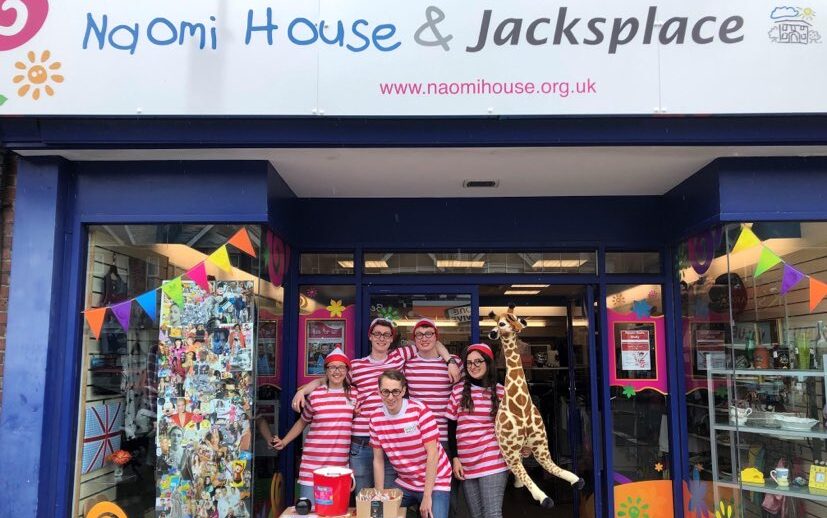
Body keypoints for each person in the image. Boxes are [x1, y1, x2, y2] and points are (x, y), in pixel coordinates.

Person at [292, 318, 460, 495]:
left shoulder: (399, 356)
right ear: (370, 336)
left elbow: (432, 340)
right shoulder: (356, 366)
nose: (382, 338)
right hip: (361, 442)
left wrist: (449, 361)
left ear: (391, 339)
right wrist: (302, 392)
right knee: (363, 497)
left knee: (386, 498)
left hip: (390, 442)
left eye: (386, 334)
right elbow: (327, 381)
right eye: (377, 334)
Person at [270, 348, 358, 507]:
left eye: (341, 367)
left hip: (339, 467)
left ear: (347, 370)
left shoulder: (354, 395)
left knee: (335, 512)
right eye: (332, 367)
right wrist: (284, 442)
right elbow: (302, 422)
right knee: (308, 512)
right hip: (312, 466)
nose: (336, 371)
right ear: (326, 371)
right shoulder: (316, 395)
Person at [370, 370, 452, 518]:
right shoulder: (375, 418)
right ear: (379, 392)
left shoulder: (420, 411)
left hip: (436, 481)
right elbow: (378, 459)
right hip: (406, 482)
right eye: (385, 392)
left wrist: (427, 497)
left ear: (403, 391)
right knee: (378, 513)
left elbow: (433, 455)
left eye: (395, 391)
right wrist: (379, 494)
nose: (390, 397)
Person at [446, 344, 509, 518]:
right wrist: (455, 458)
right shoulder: (458, 391)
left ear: (488, 363)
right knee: (477, 515)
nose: (473, 366)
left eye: (478, 361)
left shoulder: (502, 392)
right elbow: (451, 427)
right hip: (466, 463)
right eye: (469, 363)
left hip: (493, 459)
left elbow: (513, 427)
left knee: (492, 514)